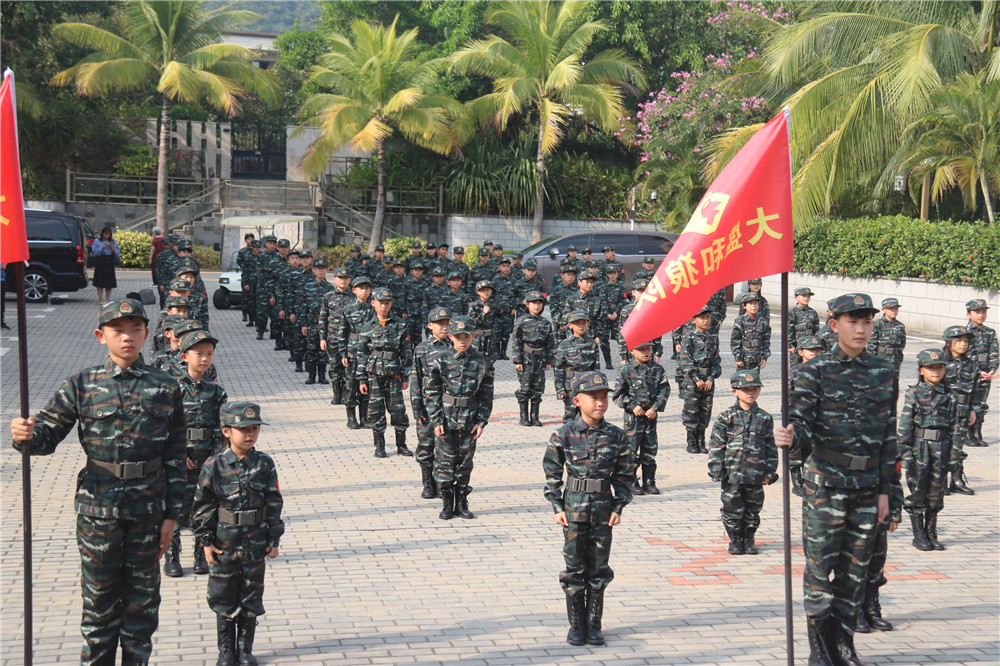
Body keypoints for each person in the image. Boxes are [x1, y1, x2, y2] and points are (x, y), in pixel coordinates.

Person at [10, 298, 185, 665]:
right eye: (118, 330)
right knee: (99, 606)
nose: (127, 337)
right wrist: (25, 435)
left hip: (148, 510)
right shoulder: (82, 384)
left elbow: (175, 455)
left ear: (146, 333)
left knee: (142, 607)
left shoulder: (167, 386)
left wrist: (173, 515)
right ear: (100, 336)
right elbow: (46, 437)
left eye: (135, 329)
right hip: (98, 511)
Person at [774, 292, 897, 666]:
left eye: (866, 322)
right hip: (826, 486)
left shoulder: (884, 371)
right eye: (852, 322)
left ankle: (843, 645)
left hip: (866, 487)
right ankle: (819, 649)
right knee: (819, 571)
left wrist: (888, 493)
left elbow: (889, 437)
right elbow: (803, 428)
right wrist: (791, 440)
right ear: (834, 325)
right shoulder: (815, 371)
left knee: (854, 573)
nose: (860, 329)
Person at [543, 371, 631, 647]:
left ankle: (594, 624)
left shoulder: (616, 436)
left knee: (599, 569)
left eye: (604, 397)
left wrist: (619, 505)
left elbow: (625, 475)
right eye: (594, 398)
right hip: (573, 511)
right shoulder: (564, 435)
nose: (601, 403)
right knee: (574, 569)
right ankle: (576, 625)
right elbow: (551, 473)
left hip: (604, 510)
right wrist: (556, 505)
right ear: (577, 400)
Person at [193, 402, 283, 666]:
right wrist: (206, 542)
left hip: (254, 543)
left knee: (251, 595)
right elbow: (202, 506)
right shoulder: (214, 465)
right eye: (243, 429)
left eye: (254, 429)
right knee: (223, 595)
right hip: (225, 542)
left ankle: (245, 649)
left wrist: (273, 539)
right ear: (226, 431)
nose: (250, 435)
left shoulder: (264, 463)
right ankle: (226, 651)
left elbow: (273, 501)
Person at [163, 330, 227, 579]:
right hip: (179, 459)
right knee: (176, 508)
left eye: (209, 354)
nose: (204, 359)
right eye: (198, 353)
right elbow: (166, 426)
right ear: (183, 357)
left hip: (207, 459)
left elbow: (222, 429)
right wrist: (178, 454)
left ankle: (202, 553)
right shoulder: (172, 389)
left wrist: (215, 458)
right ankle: (172, 556)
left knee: (205, 507)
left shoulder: (215, 391)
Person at [425, 315, 494, 520]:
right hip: (446, 420)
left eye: (466, 337)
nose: (462, 341)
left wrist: (482, 421)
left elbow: (486, 393)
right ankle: (447, 503)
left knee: (465, 463)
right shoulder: (441, 358)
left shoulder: (480, 361)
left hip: (469, 422)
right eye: (458, 337)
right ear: (451, 337)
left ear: (473, 336)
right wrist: (436, 421)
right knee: (445, 463)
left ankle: (462, 502)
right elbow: (432, 392)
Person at [707, 369, 777, 555]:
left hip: (755, 473)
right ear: (735, 392)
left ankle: (749, 539)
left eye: (754, 389)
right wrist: (716, 468)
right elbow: (716, 445)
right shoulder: (727, 416)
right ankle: (735, 539)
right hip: (732, 473)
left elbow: (771, 446)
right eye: (746, 389)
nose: (750, 393)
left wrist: (770, 472)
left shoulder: (764, 418)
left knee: (753, 508)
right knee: (732, 507)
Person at [898, 349, 957, 552]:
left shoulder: (949, 394)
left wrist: (955, 455)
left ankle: (932, 532)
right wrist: (905, 453)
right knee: (918, 489)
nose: (936, 372)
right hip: (920, 448)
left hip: (941, 447)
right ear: (921, 370)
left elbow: (955, 426)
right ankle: (919, 534)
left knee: (936, 491)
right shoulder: (914, 393)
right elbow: (905, 425)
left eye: (939, 368)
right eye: (931, 368)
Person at [358, 287, 413, 458]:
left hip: (394, 374)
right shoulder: (367, 328)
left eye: (387, 303)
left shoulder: (400, 325)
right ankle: (379, 446)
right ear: (373, 303)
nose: (384, 306)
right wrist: (361, 379)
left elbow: (406, 352)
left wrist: (405, 376)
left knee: (397, 410)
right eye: (381, 303)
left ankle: (401, 445)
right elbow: (361, 354)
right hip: (374, 375)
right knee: (375, 410)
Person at [612, 341, 670, 496]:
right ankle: (631, 481)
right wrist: (631, 405)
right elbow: (618, 395)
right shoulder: (626, 370)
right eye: (641, 349)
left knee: (650, 449)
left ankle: (649, 481)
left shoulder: (657, 369)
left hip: (650, 416)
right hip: (633, 419)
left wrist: (655, 408)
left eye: (648, 349)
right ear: (631, 350)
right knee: (631, 450)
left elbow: (664, 390)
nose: (646, 352)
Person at [410, 307, 453, 499]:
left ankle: (444, 485)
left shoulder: (455, 347)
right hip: (428, 406)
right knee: (426, 445)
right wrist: (417, 408)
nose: (444, 327)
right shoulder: (422, 349)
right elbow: (416, 379)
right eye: (440, 324)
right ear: (430, 326)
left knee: (446, 448)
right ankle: (428, 483)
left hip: (450, 406)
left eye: (446, 324)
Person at [678, 306, 722, 454]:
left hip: (708, 381)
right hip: (692, 381)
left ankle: (701, 441)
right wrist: (697, 379)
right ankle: (691, 441)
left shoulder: (713, 338)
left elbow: (716, 362)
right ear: (693, 320)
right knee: (691, 410)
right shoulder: (688, 338)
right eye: (702, 318)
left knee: (705, 410)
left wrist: (710, 378)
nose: (706, 320)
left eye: (708, 317)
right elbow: (685, 361)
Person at [941, 325, 979, 496]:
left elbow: (975, 389)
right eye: (959, 341)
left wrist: (973, 409)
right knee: (941, 445)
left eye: (966, 341)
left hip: (962, 411)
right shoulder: (939, 362)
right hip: (942, 410)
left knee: (957, 445)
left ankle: (956, 479)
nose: (963, 345)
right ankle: (940, 481)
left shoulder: (970, 365)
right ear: (949, 342)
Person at [787, 335, 826, 497]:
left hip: (820, 416)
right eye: (811, 350)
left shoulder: (826, 369)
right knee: (796, 449)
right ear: (801, 352)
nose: (815, 353)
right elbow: (789, 394)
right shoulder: (796, 371)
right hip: (799, 415)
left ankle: (813, 480)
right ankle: (797, 482)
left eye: (818, 350)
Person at [512, 291, 555, 427]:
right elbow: (516, 342)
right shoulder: (522, 321)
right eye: (534, 303)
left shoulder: (546, 323)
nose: (537, 306)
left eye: (539, 303)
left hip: (540, 358)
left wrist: (549, 361)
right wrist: (518, 360)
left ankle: (535, 417)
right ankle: (524, 416)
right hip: (526, 358)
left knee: (538, 388)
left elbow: (550, 343)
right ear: (527, 304)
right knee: (525, 388)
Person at [337, 276, 375, 429]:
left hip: (370, 352)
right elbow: (342, 332)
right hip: (353, 352)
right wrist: (343, 353)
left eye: (366, 288)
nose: (364, 291)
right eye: (361, 288)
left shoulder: (374, 309)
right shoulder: (348, 309)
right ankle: (351, 417)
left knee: (367, 385)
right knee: (351, 384)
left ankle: (365, 417)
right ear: (354, 290)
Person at [554, 311, 601, 423]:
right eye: (577, 323)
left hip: (587, 385)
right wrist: (560, 389)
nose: (581, 326)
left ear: (588, 324)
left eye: (583, 323)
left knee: (587, 415)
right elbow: (559, 369)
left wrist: (597, 387)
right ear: (570, 325)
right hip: (570, 385)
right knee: (570, 415)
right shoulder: (565, 344)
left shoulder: (592, 344)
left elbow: (596, 368)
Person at [965, 298, 997, 447]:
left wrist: (992, 369)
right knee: (968, 402)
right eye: (977, 312)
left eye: (983, 312)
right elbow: (966, 354)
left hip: (986, 374)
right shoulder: (965, 332)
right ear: (968, 314)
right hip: (969, 374)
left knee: (981, 403)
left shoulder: (990, 332)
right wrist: (978, 371)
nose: (981, 315)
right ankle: (967, 433)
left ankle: (977, 432)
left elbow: (994, 352)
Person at [867, 297, 907, 404]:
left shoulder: (900, 326)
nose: (894, 311)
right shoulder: (877, 324)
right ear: (884, 310)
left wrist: (899, 360)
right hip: (881, 358)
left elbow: (902, 345)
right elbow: (871, 344)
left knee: (893, 386)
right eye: (891, 309)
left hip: (894, 360)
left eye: (896, 309)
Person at [730, 292, 771, 371]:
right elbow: (735, 340)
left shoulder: (762, 321)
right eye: (750, 303)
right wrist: (738, 358)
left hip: (757, 357)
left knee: (755, 381)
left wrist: (765, 357)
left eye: (755, 303)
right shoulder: (740, 320)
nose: (753, 306)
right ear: (744, 306)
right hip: (744, 358)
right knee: (742, 381)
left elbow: (766, 340)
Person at [787, 286, 819, 365]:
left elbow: (817, 330)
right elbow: (789, 330)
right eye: (804, 296)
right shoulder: (792, 312)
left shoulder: (813, 312)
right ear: (796, 298)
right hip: (798, 345)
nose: (806, 298)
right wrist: (790, 345)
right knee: (795, 367)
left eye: (808, 296)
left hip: (810, 345)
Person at [91, 225, 120, 304]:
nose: (107, 236)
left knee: (109, 281)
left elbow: (117, 253)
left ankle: (108, 299)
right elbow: (94, 252)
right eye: (105, 234)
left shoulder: (113, 241)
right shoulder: (97, 241)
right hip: (100, 261)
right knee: (99, 280)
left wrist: (112, 248)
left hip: (109, 261)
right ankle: (101, 299)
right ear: (102, 234)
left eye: (109, 234)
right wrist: (102, 248)